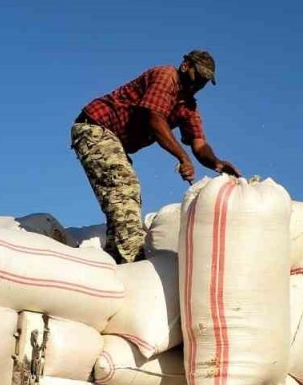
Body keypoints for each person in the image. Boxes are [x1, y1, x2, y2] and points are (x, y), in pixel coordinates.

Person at [71, 50, 243, 263]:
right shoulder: (166, 76)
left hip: (115, 141)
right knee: (124, 187)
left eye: (205, 80)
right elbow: (154, 118)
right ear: (185, 65)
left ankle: (115, 255)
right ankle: (133, 257)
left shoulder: (188, 106)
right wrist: (182, 157)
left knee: (127, 195)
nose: (199, 83)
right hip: (96, 127)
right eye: (197, 75)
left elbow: (199, 144)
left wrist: (216, 163)